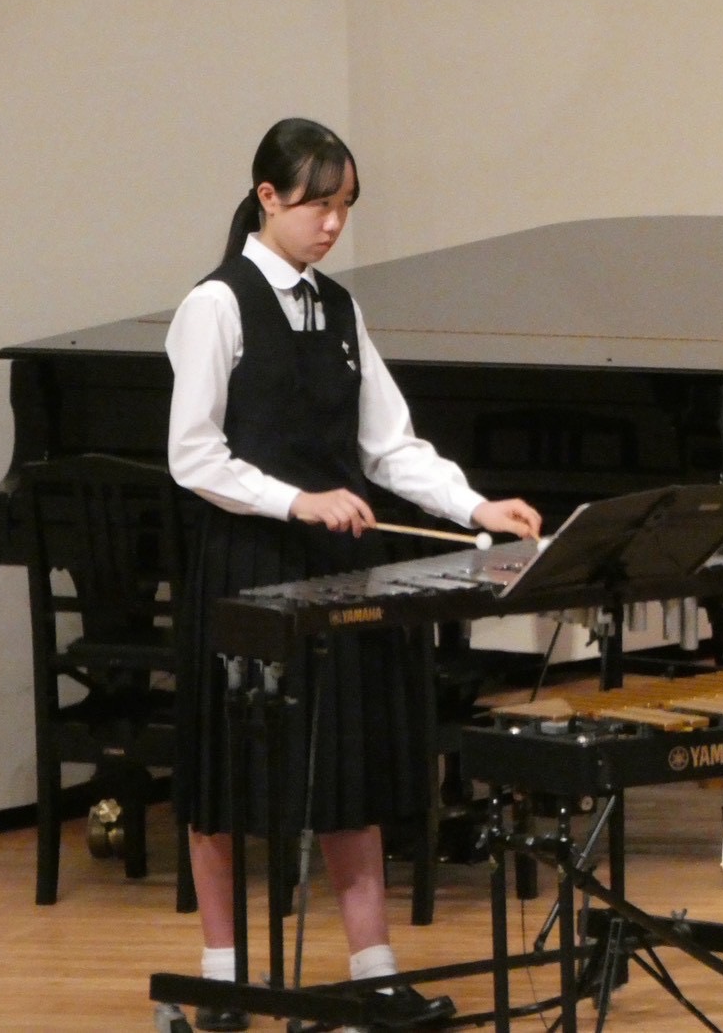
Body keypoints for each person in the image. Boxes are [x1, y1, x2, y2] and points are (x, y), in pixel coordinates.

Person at [166, 117, 542, 1033]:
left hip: (337, 566)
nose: (332, 224)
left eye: (343, 207)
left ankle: (373, 971)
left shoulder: (338, 308)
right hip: (248, 562)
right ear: (266, 198)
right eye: (316, 205)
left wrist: (475, 507)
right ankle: (222, 974)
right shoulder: (214, 305)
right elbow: (193, 455)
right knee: (227, 772)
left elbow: (389, 446)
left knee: (348, 762)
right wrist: (294, 501)